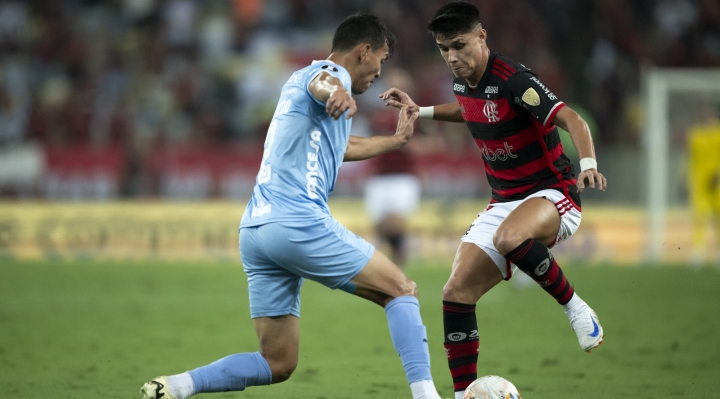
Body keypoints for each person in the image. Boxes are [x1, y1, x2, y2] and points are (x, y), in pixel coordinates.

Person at [140, 13, 443, 399]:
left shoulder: (301, 86)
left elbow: (342, 147)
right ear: (364, 51)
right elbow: (324, 82)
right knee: (401, 290)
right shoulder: (328, 75)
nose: (380, 72)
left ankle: (175, 387)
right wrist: (337, 91)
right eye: (381, 60)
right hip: (296, 220)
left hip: (256, 229)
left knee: (277, 362)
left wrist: (395, 140)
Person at [380, 2, 607, 398]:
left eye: (459, 45)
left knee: (507, 238)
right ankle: (462, 394)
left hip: (553, 193)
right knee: (455, 292)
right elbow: (470, 110)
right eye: (443, 49)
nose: (452, 57)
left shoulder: (514, 79)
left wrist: (587, 163)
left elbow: (572, 119)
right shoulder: (462, 82)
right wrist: (422, 111)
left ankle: (577, 309)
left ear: (482, 36)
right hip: (503, 201)